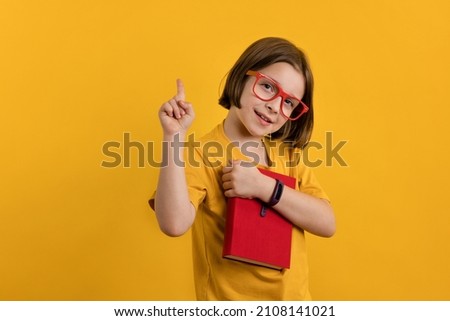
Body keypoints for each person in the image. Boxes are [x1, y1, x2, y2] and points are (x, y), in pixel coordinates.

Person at [149, 37, 336, 300]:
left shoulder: (288, 156)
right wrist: (173, 137)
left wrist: (263, 186)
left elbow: (327, 223)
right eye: (268, 87)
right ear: (241, 78)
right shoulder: (202, 153)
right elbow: (173, 223)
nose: (274, 106)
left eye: (289, 103)